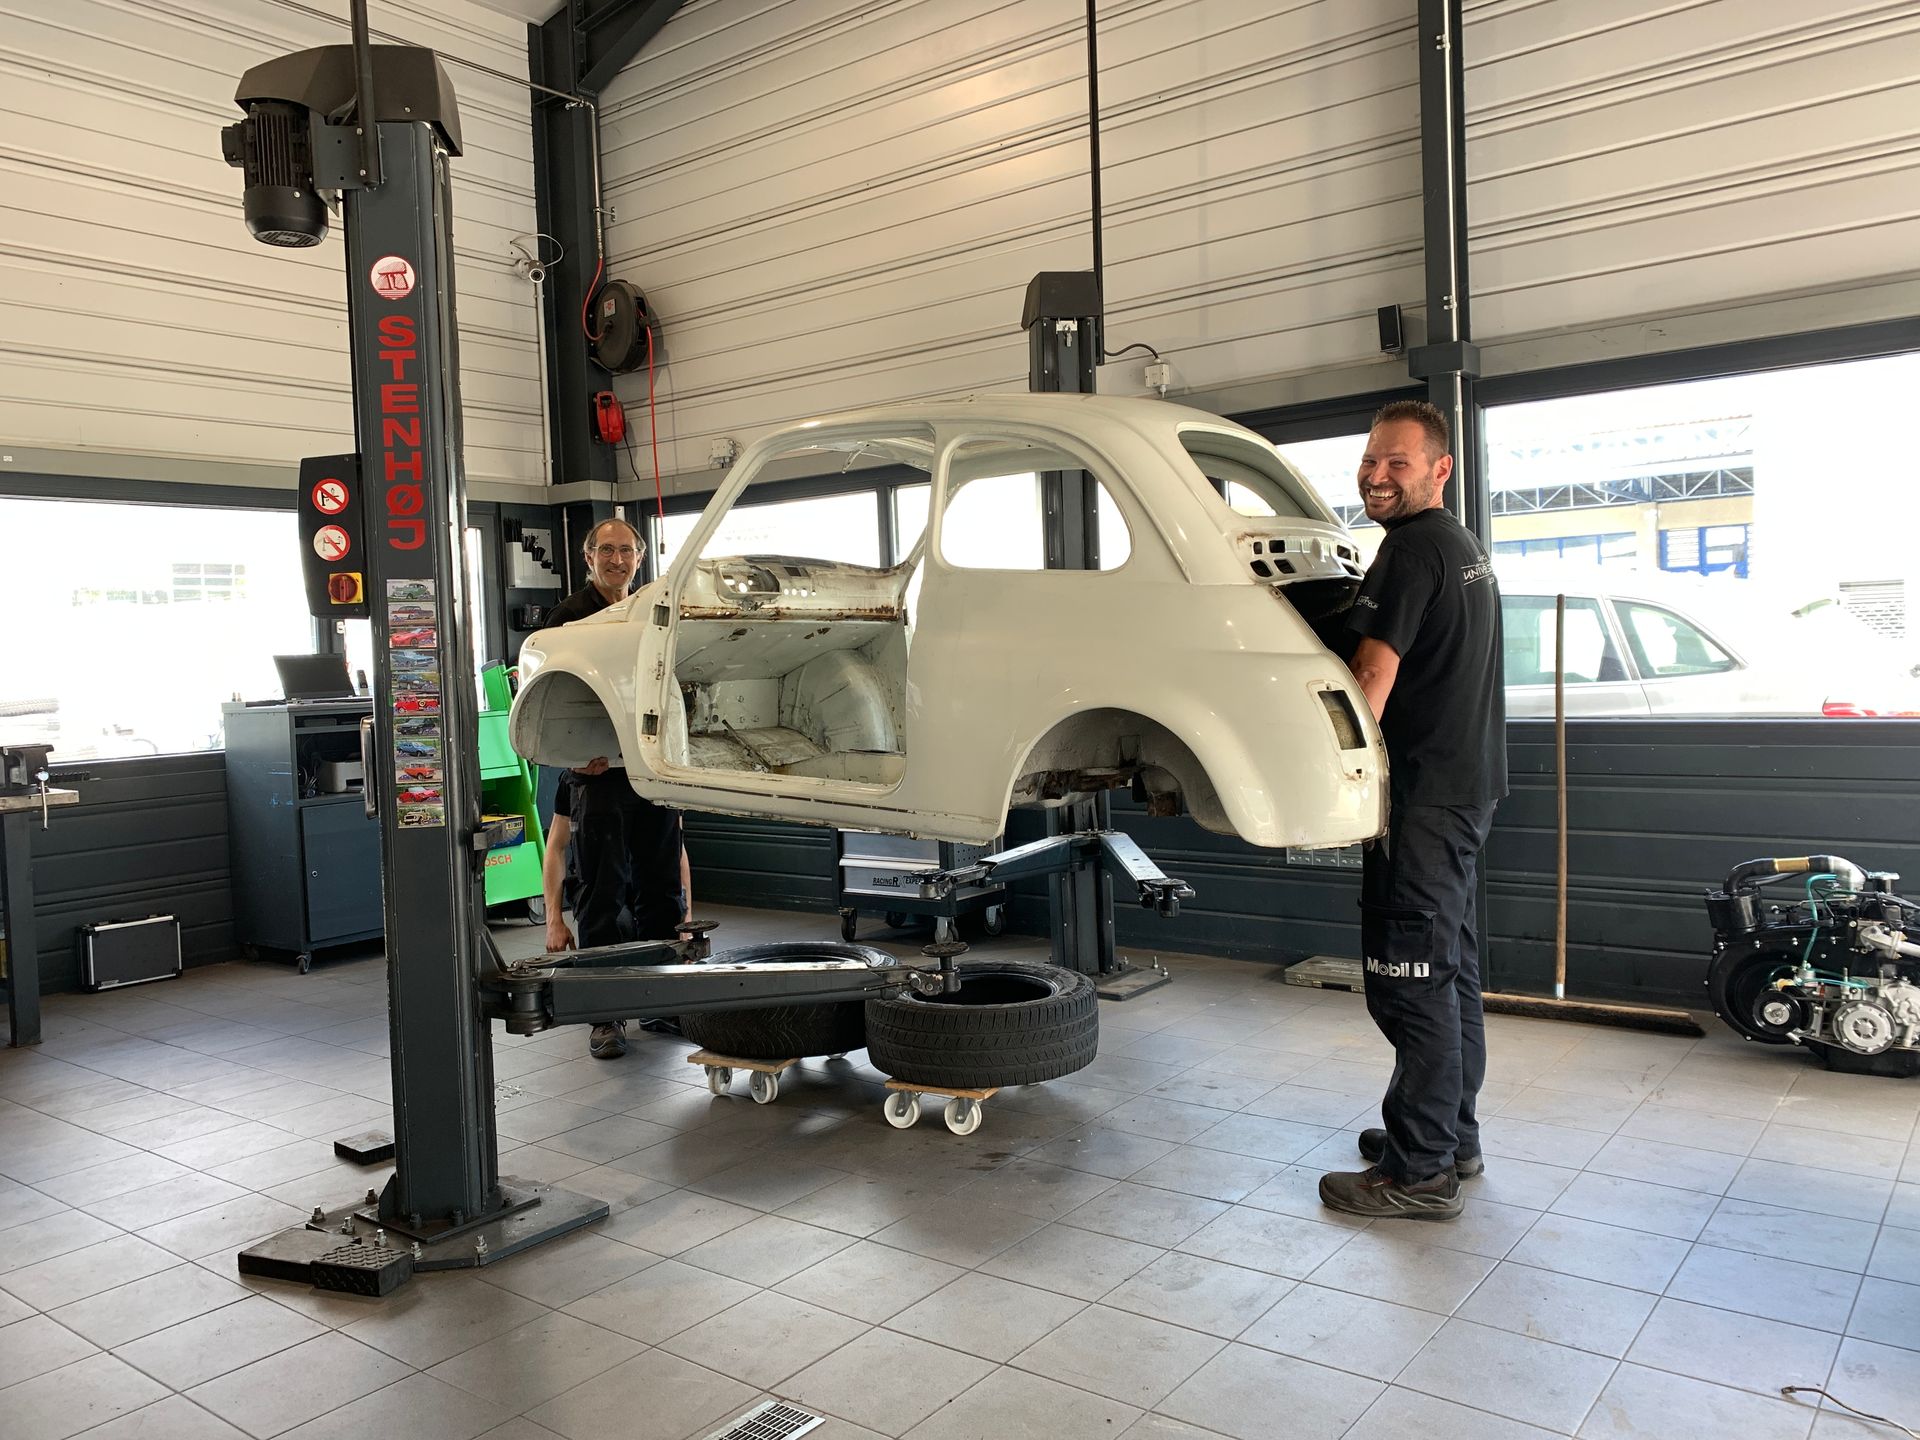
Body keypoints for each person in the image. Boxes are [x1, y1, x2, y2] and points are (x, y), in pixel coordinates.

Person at [1317, 400, 1506, 1223]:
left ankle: (1420, 1172)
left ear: (1439, 468)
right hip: (1469, 789)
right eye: (1370, 460)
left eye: (1396, 461)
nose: (1375, 474)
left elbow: (1371, 680)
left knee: (1409, 980)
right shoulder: (1462, 547)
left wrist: (1321, 779)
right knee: (1451, 969)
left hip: (1425, 797)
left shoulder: (1407, 550)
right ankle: (1449, 1137)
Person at [537, 518, 692, 1060]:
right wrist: (578, 753)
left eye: (626, 550)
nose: (617, 560)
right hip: (598, 776)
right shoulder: (568, 618)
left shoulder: (653, 612)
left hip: (650, 769)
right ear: (588, 558)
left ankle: (660, 1002)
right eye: (606, 550)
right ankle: (604, 1017)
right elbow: (551, 696)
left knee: (660, 892)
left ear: (640, 557)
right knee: (603, 895)